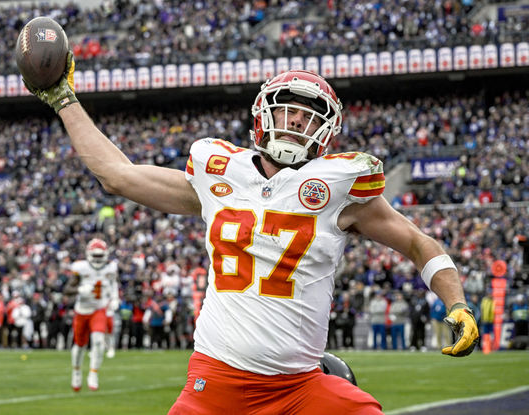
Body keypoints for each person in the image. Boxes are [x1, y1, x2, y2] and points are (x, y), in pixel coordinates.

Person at [27, 58, 479, 414]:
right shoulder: (218, 172)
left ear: (326, 129)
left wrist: (456, 302)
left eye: (307, 117)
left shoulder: (341, 188)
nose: (295, 123)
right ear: (263, 113)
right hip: (216, 379)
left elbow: (420, 243)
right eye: (287, 110)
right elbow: (117, 176)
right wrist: (64, 98)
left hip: (299, 385)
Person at [64, 238, 117, 391]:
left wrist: (114, 298)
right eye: (96, 256)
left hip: (98, 309)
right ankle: (76, 372)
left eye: (101, 256)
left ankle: (93, 374)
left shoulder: (111, 268)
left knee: (99, 341)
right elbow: (67, 290)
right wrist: (80, 290)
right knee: (80, 345)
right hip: (82, 310)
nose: (98, 259)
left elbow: (113, 284)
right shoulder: (80, 268)